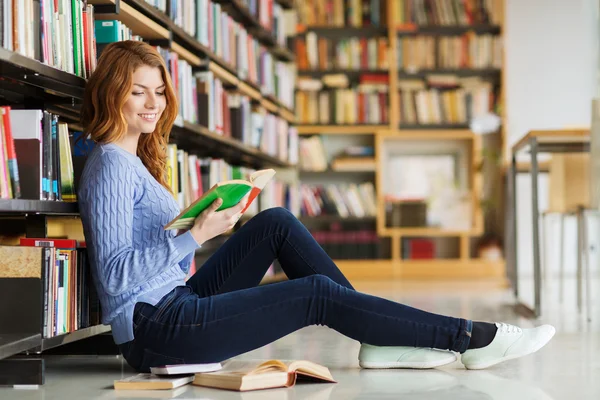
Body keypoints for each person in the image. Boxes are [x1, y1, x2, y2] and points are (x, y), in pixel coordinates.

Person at [78, 41, 555, 374]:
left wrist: (202, 225)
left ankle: (377, 338)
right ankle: (471, 338)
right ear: (112, 91)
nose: (153, 103)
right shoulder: (111, 165)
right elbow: (116, 277)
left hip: (173, 304)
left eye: (159, 91)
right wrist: (196, 235)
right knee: (313, 294)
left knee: (276, 223)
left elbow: (157, 259)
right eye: (138, 90)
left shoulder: (134, 160)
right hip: (155, 331)